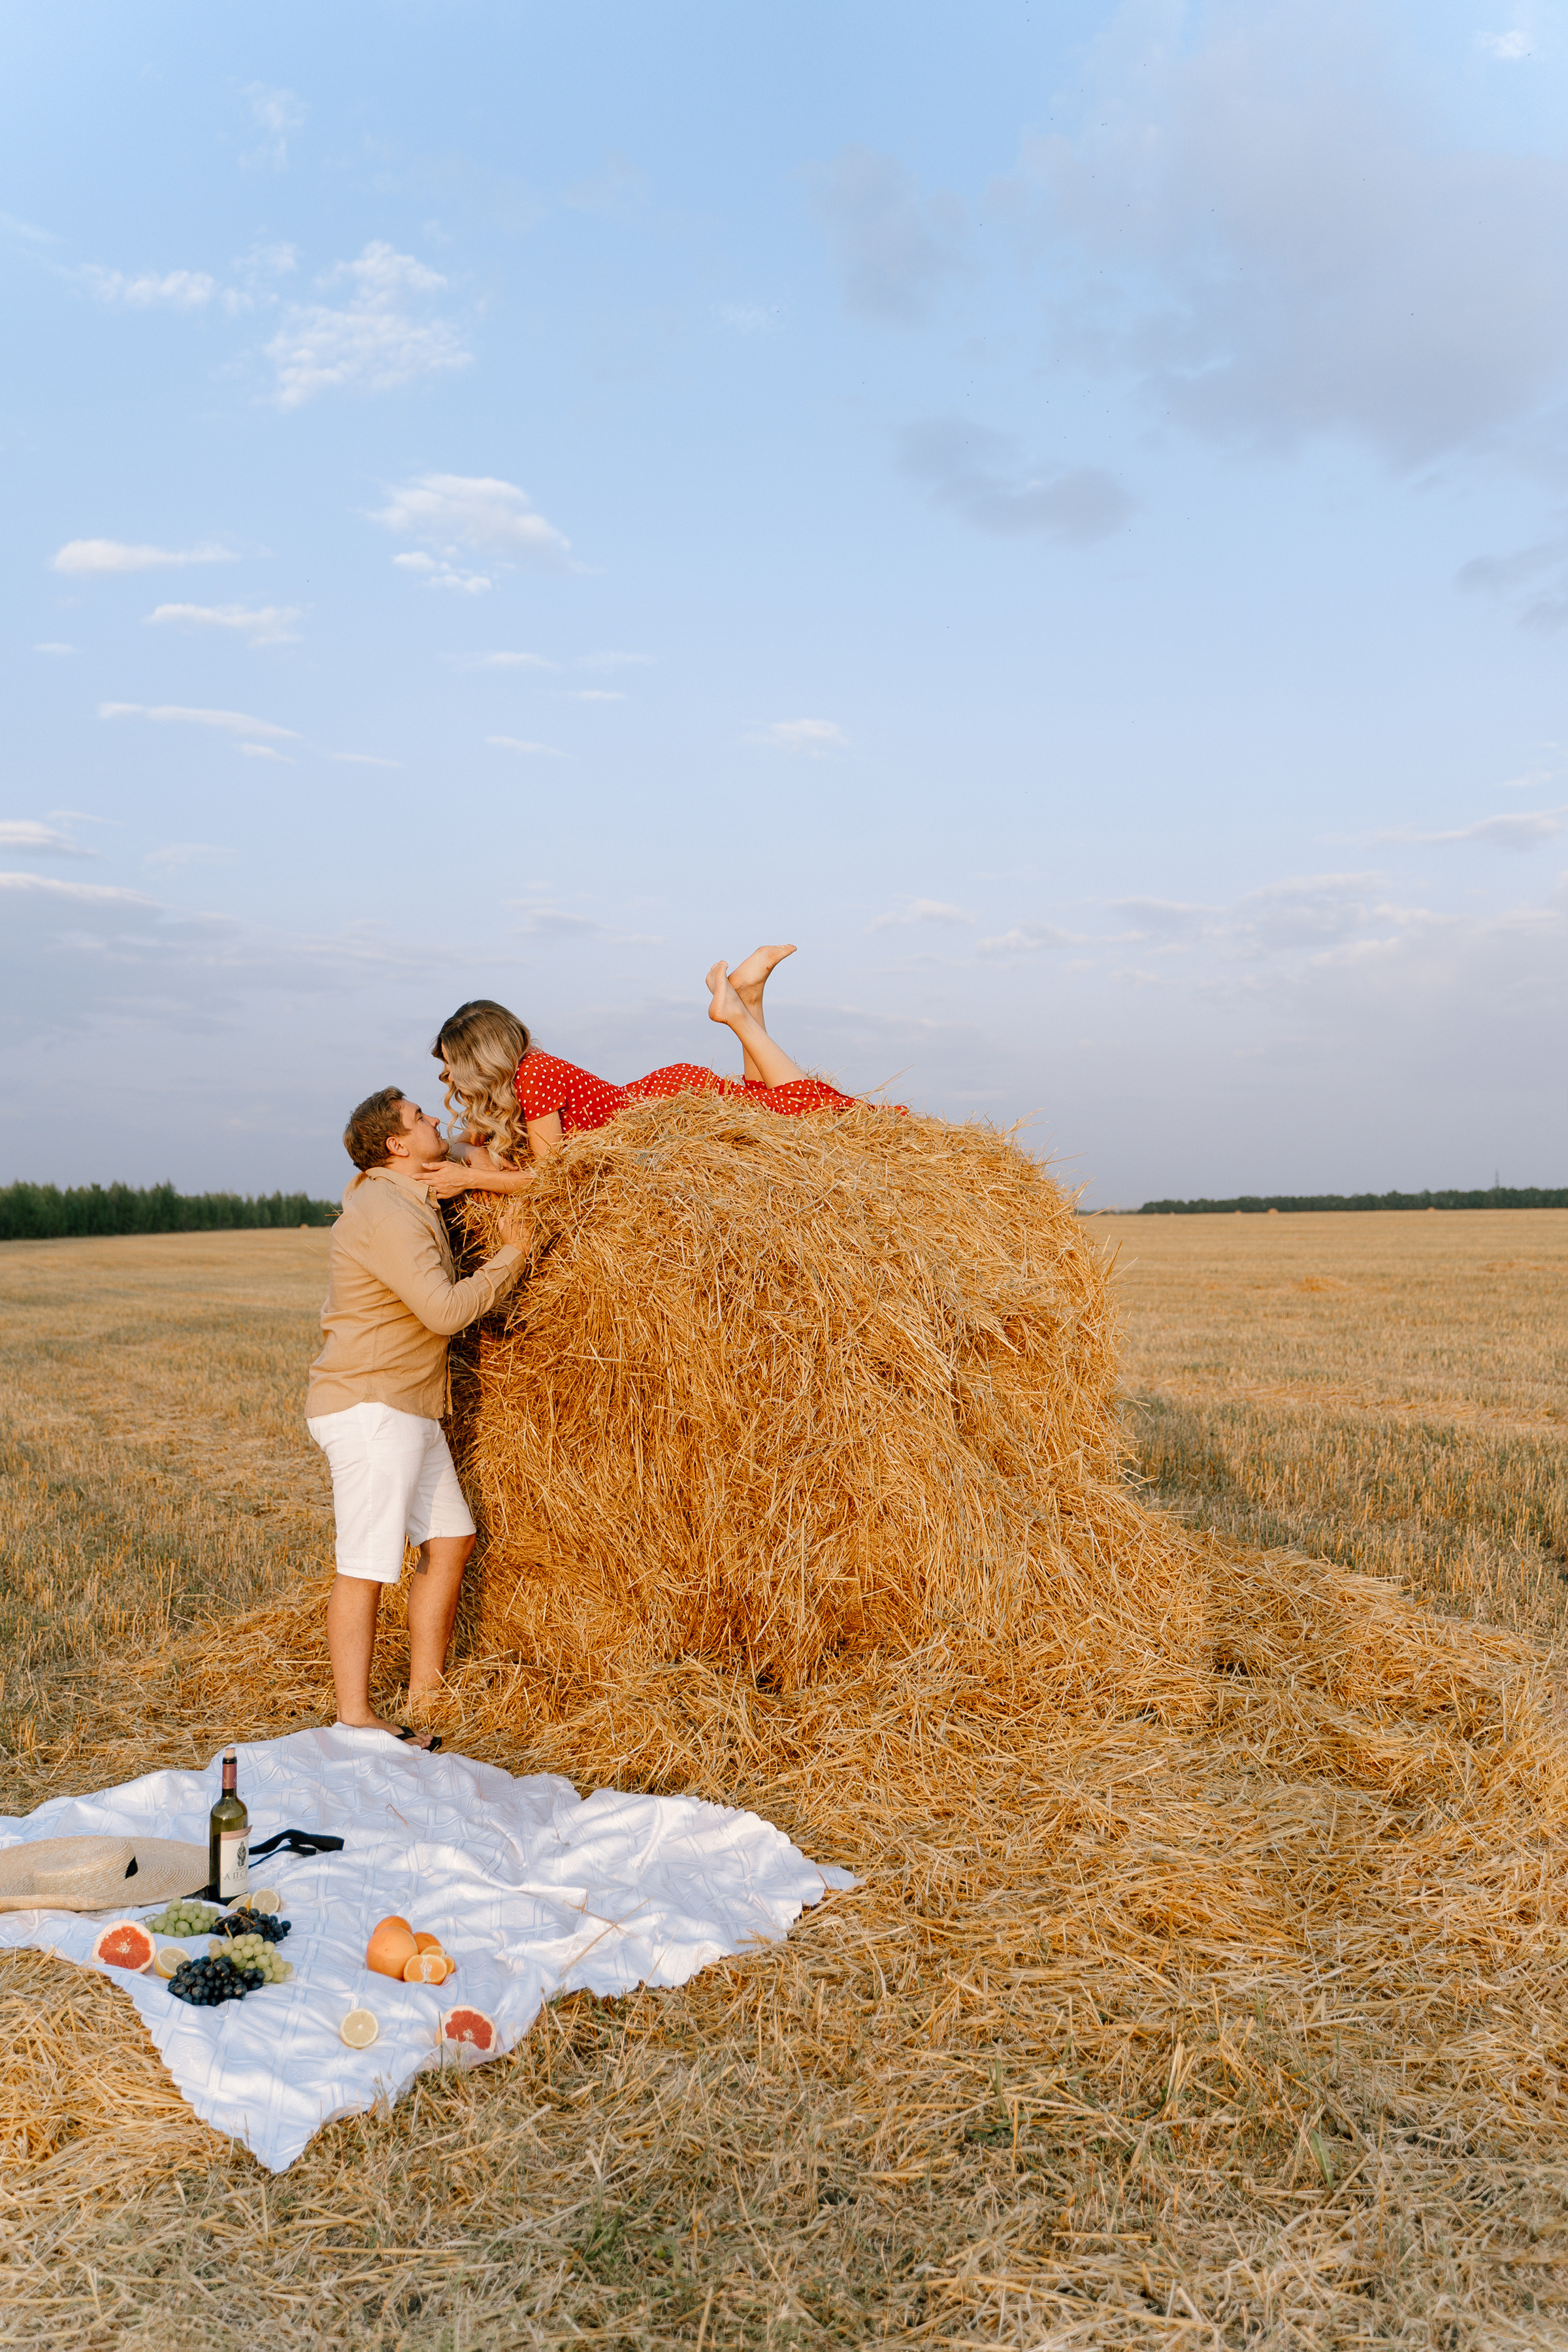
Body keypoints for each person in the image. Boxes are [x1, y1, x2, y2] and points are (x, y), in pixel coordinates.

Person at [305, 1086, 529, 1746]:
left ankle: (426, 1691)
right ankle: (356, 1717)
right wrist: (512, 1254)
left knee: (451, 1540)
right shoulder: (386, 1210)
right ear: (396, 1145)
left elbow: (469, 1147)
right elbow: (444, 1312)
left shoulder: (407, 1194)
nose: (435, 1116)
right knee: (366, 1562)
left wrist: (485, 1154)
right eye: (418, 1116)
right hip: (373, 1407)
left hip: (409, 1407)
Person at [425, 945, 858, 1190]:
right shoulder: (523, 1073)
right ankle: (748, 994)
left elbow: (551, 1181)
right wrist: (461, 1151)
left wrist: (469, 1182)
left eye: (453, 1067)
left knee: (812, 1110)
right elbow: (462, 1143)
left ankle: (737, 1013)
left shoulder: (533, 1078)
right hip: (660, 1096)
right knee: (766, 1100)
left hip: (671, 1107)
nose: (451, 1079)